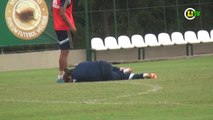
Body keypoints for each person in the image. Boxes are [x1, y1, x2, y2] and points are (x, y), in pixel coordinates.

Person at [60, 61, 157, 83]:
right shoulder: (79, 65)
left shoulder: (76, 78)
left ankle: (144, 75)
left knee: (124, 77)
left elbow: (77, 79)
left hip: (106, 74)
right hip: (104, 64)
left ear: (69, 77)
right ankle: (122, 69)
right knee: (116, 70)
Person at [52, 0, 76, 82]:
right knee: (64, 52)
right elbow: (62, 12)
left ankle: (66, 75)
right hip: (64, 27)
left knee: (64, 51)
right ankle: (60, 76)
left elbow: (52, 9)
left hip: (58, 26)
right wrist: (71, 26)